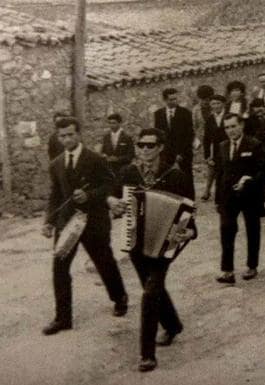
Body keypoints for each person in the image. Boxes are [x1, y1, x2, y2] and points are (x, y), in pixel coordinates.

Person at [108, 128, 195, 372]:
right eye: (141, 145)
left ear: (160, 147)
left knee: (149, 293)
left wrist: (188, 232)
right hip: (135, 241)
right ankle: (173, 325)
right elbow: (111, 196)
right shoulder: (128, 172)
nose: (144, 149)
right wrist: (113, 203)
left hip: (166, 244)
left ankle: (147, 354)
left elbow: (189, 215)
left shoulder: (176, 176)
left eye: (150, 145)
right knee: (152, 287)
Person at [42, 117, 128, 336]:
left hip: (94, 222)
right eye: (62, 136)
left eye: (71, 134)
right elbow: (55, 195)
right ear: (58, 137)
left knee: (104, 262)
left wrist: (89, 195)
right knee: (59, 268)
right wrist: (49, 221)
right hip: (67, 223)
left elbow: (111, 185)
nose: (67, 139)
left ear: (79, 134)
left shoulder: (96, 159)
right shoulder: (56, 164)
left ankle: (119, 297)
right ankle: (63, 318)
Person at [214, 113, 265, 284]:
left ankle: (252, 266)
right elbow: (220, 173)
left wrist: (249, 180)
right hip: (228, 197)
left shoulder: (254, 144)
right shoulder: (222, 146)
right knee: (226, 231)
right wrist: (218, 199)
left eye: (233, 126)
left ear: (241, 125)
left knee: (252, 230)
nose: (230, 130)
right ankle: (227, 270)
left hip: (250, 196)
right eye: (227, 127)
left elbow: (263, 170)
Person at [153, 88, 195, 198]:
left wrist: (181, 153)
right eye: (171, 99)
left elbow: (189, 135)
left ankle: (190, 203)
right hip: (166, 154)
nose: (174, 101)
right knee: (168, 179)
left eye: (175, 99)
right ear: (165, 100)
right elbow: (159, 136)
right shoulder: (158, 114)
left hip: (184, 153)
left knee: (187, 179)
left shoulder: (185, 113)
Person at [201, 94, 228, 201]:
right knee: (215, 171)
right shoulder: (210, 119)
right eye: (213, 104)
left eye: (218, 103)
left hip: (229, 148)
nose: (216, 106)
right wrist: (207, 155)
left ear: (223, 104)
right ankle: (210, 192)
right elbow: (206, 139)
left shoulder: (229, 116)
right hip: (216, 151)